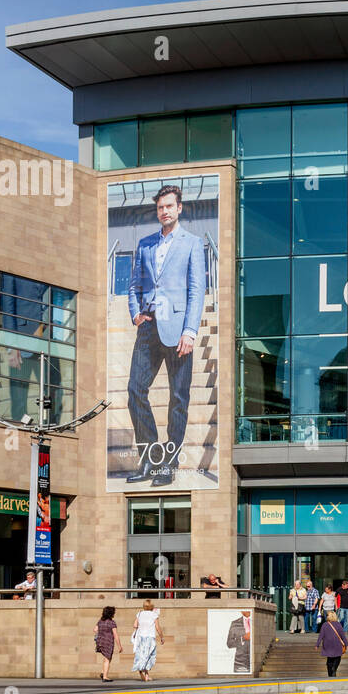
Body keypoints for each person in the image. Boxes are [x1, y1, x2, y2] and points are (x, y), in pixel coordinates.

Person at [124, 183, 207, 488]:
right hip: (148, 328)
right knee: (135, 390)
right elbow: (134, 285)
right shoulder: (145, 244)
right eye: (160, 207)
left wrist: (190, 331)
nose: (164, 211)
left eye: (169, 206)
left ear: (179, 208)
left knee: (178, 398)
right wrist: (135, 313)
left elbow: (197, 290)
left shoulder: (192, 244)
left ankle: (168, 465)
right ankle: (149, 458)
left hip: (178, 332)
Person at [132, 599, 165, 682]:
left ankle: (145, 674)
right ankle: (144, 673)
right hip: (150, 638)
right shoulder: (154, 615)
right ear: (152, 606)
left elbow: (135, 625)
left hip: (140, 637)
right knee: (150, 656)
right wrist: (162, 637)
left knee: (141, 655)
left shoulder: (139, 614)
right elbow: (157, 627)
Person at [316, 610, 348, 677]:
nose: (327, 616)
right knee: (337, 657)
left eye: (328, 615)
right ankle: (334, 669)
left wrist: (317, 644)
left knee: (329, 659)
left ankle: (330, 673)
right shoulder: (338, 624)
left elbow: (321, 635)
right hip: (337, 644)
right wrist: (346, 644)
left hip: (328, 644)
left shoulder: (325, 625)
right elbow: (342, 635)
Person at [93, 605, 121, 682]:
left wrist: (101, 633)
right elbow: (115, 635)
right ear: (111, 614)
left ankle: (103, 672)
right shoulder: (112, 623)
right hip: (108, 642)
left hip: (100, 641)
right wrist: (119, 646)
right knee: (107, 659)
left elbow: (95, 630)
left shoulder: (100, 621)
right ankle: (105, 677)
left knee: (107, 658)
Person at [226, 609, 252, 674]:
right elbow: (229, 643)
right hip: (240, 661)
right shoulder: (235, 623)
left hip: (256, 659)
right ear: (241, 611)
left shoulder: (258, 621)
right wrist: (243, 638)